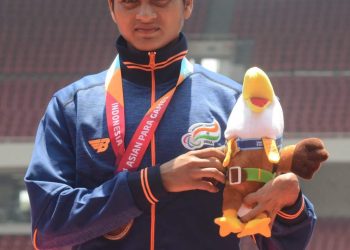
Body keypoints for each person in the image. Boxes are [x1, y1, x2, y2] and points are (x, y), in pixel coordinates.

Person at [25, 0, 316, 249]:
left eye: (160, 1)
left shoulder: (236, 104)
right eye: (130, 2)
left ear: (188, 4)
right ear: (112, 8)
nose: (145, 15)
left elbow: (280, 243)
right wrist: (153, 183)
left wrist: (290, 204)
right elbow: (47, 230)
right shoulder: (73, 106)